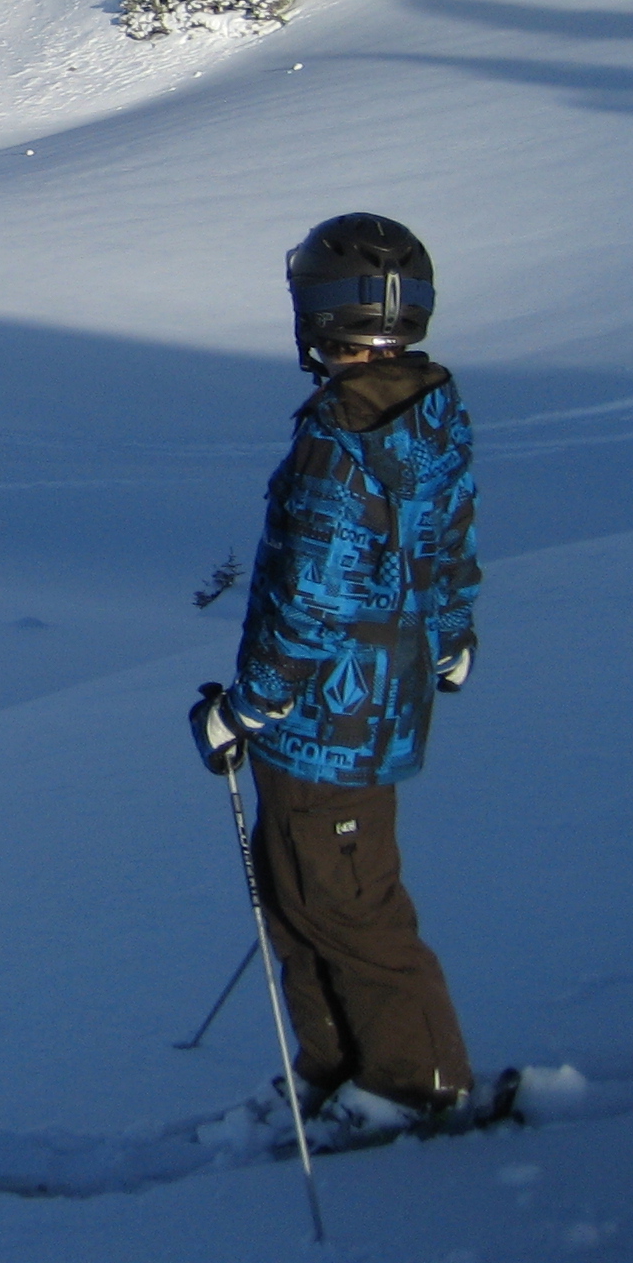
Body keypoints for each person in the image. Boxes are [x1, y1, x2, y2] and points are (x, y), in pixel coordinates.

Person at [190, 212, 483, 1138]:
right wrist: (449, 637)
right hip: (364, 709)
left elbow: (308, 595)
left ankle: (413, 1084)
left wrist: (249, 706)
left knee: (349, 909)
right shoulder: (426, 412)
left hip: (324, 721)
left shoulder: (342, 440)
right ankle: (336, 1069)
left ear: (321, 316)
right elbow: (443, 545)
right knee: (303, 896)